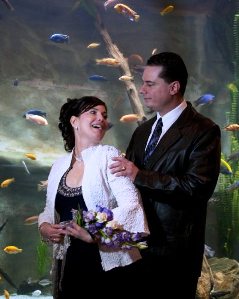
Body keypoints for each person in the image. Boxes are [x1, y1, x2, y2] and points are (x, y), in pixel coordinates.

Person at [109, 52, 221, 298]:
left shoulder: (204, 130)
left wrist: (139, 175)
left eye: (150, 84)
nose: (142, 90)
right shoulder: (143, 131)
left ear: (174, 87)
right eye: (143, 83)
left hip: (174, 256)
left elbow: (197, 188)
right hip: (133, 249)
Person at [38, 96, 149, 299]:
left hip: (109, 266)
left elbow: (131, 204)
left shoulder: (108, 155)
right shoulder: (58, 166)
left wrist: (94, 232)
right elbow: (49, 210)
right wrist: (44, 227)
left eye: (104, 115)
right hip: (71, 266)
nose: (102, 119)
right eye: (93, 112)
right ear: (74, 122)